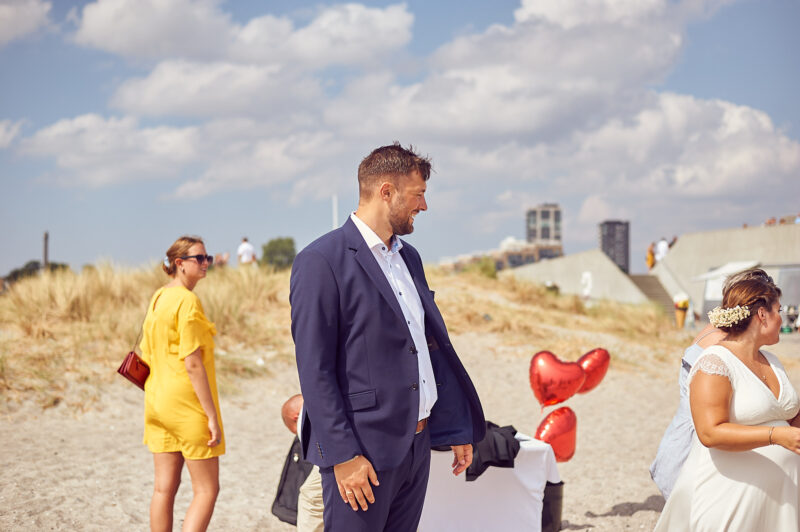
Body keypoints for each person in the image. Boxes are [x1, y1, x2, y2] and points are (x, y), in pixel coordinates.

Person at [290, 143, 486, 531]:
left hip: (416, 447)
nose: (423, 206)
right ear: (386, 191)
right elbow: (314, 370)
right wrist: (343, 456)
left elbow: (426, 349)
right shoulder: (321, 261)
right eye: (418, 195)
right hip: (362, 452)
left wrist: (454, 427)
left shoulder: (409, 258)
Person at [654, 269, 800, 530]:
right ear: (762, 314)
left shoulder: (772, 361)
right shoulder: (715, 362)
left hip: (779, 499)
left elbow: (787, 415)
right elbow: (710, 432)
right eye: (778, 311)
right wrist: (776, 436)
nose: (781, 319)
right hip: (728, 498)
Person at [140, 236, 224, 532]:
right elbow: (192, 363)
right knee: (206, 490)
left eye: (207, 257)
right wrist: (211, 416)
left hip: (157, 401)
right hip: (186, 404)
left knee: (163, 488)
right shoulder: (187, 301)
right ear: (179, 263)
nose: (205, 263)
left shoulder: (159, 297)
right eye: (199, 258)